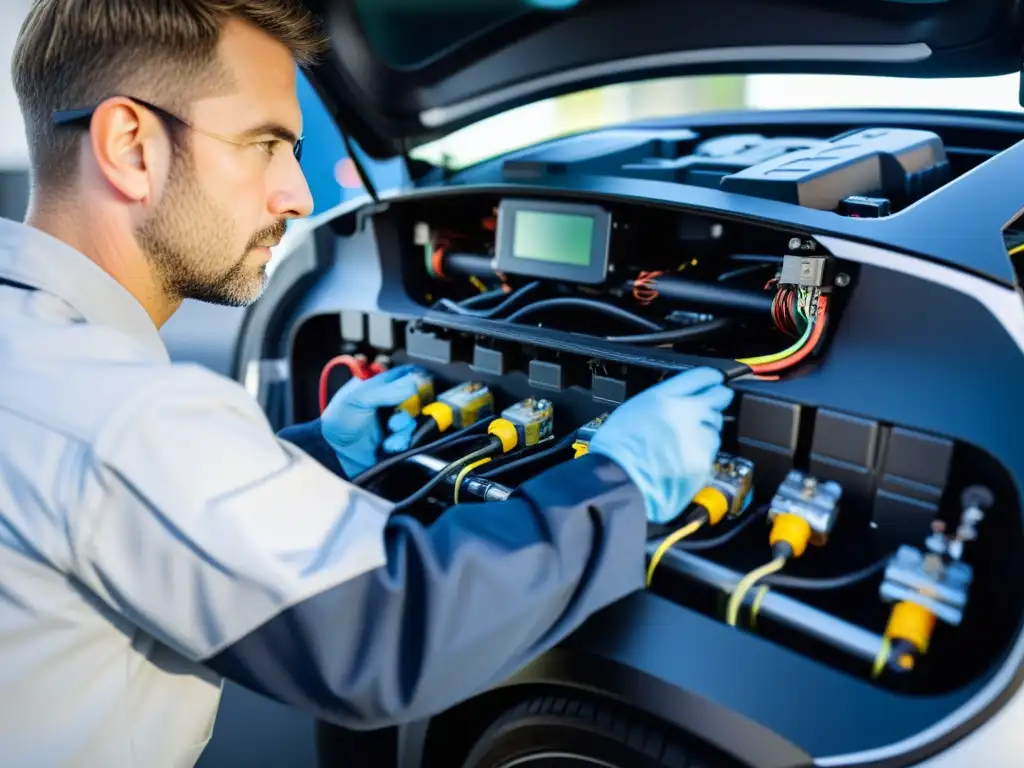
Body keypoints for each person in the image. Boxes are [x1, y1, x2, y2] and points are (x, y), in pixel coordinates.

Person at [0, 1, 734, 765]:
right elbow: (390, 632)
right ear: (130, 146)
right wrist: (620, 484)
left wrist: (319, 455)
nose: (299, 196)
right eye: (264, 144)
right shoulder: (124, 418)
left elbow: (130, 518)